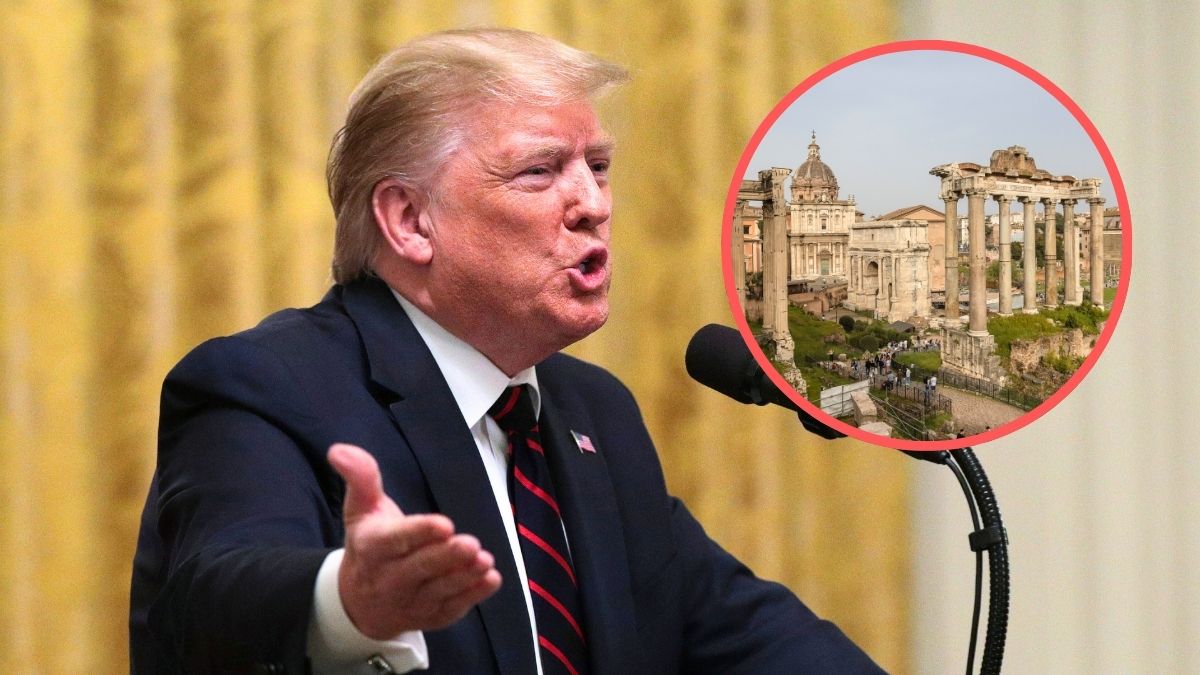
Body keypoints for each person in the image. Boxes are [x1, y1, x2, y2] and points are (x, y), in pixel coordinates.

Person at [129, 28, 882, 674]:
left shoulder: (595, 413)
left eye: (599, 165)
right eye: (540, 170)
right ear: (409, 220)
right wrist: (347, 600)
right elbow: (209, 599)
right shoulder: (267, 384)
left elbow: (736, 624)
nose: (594, 203)